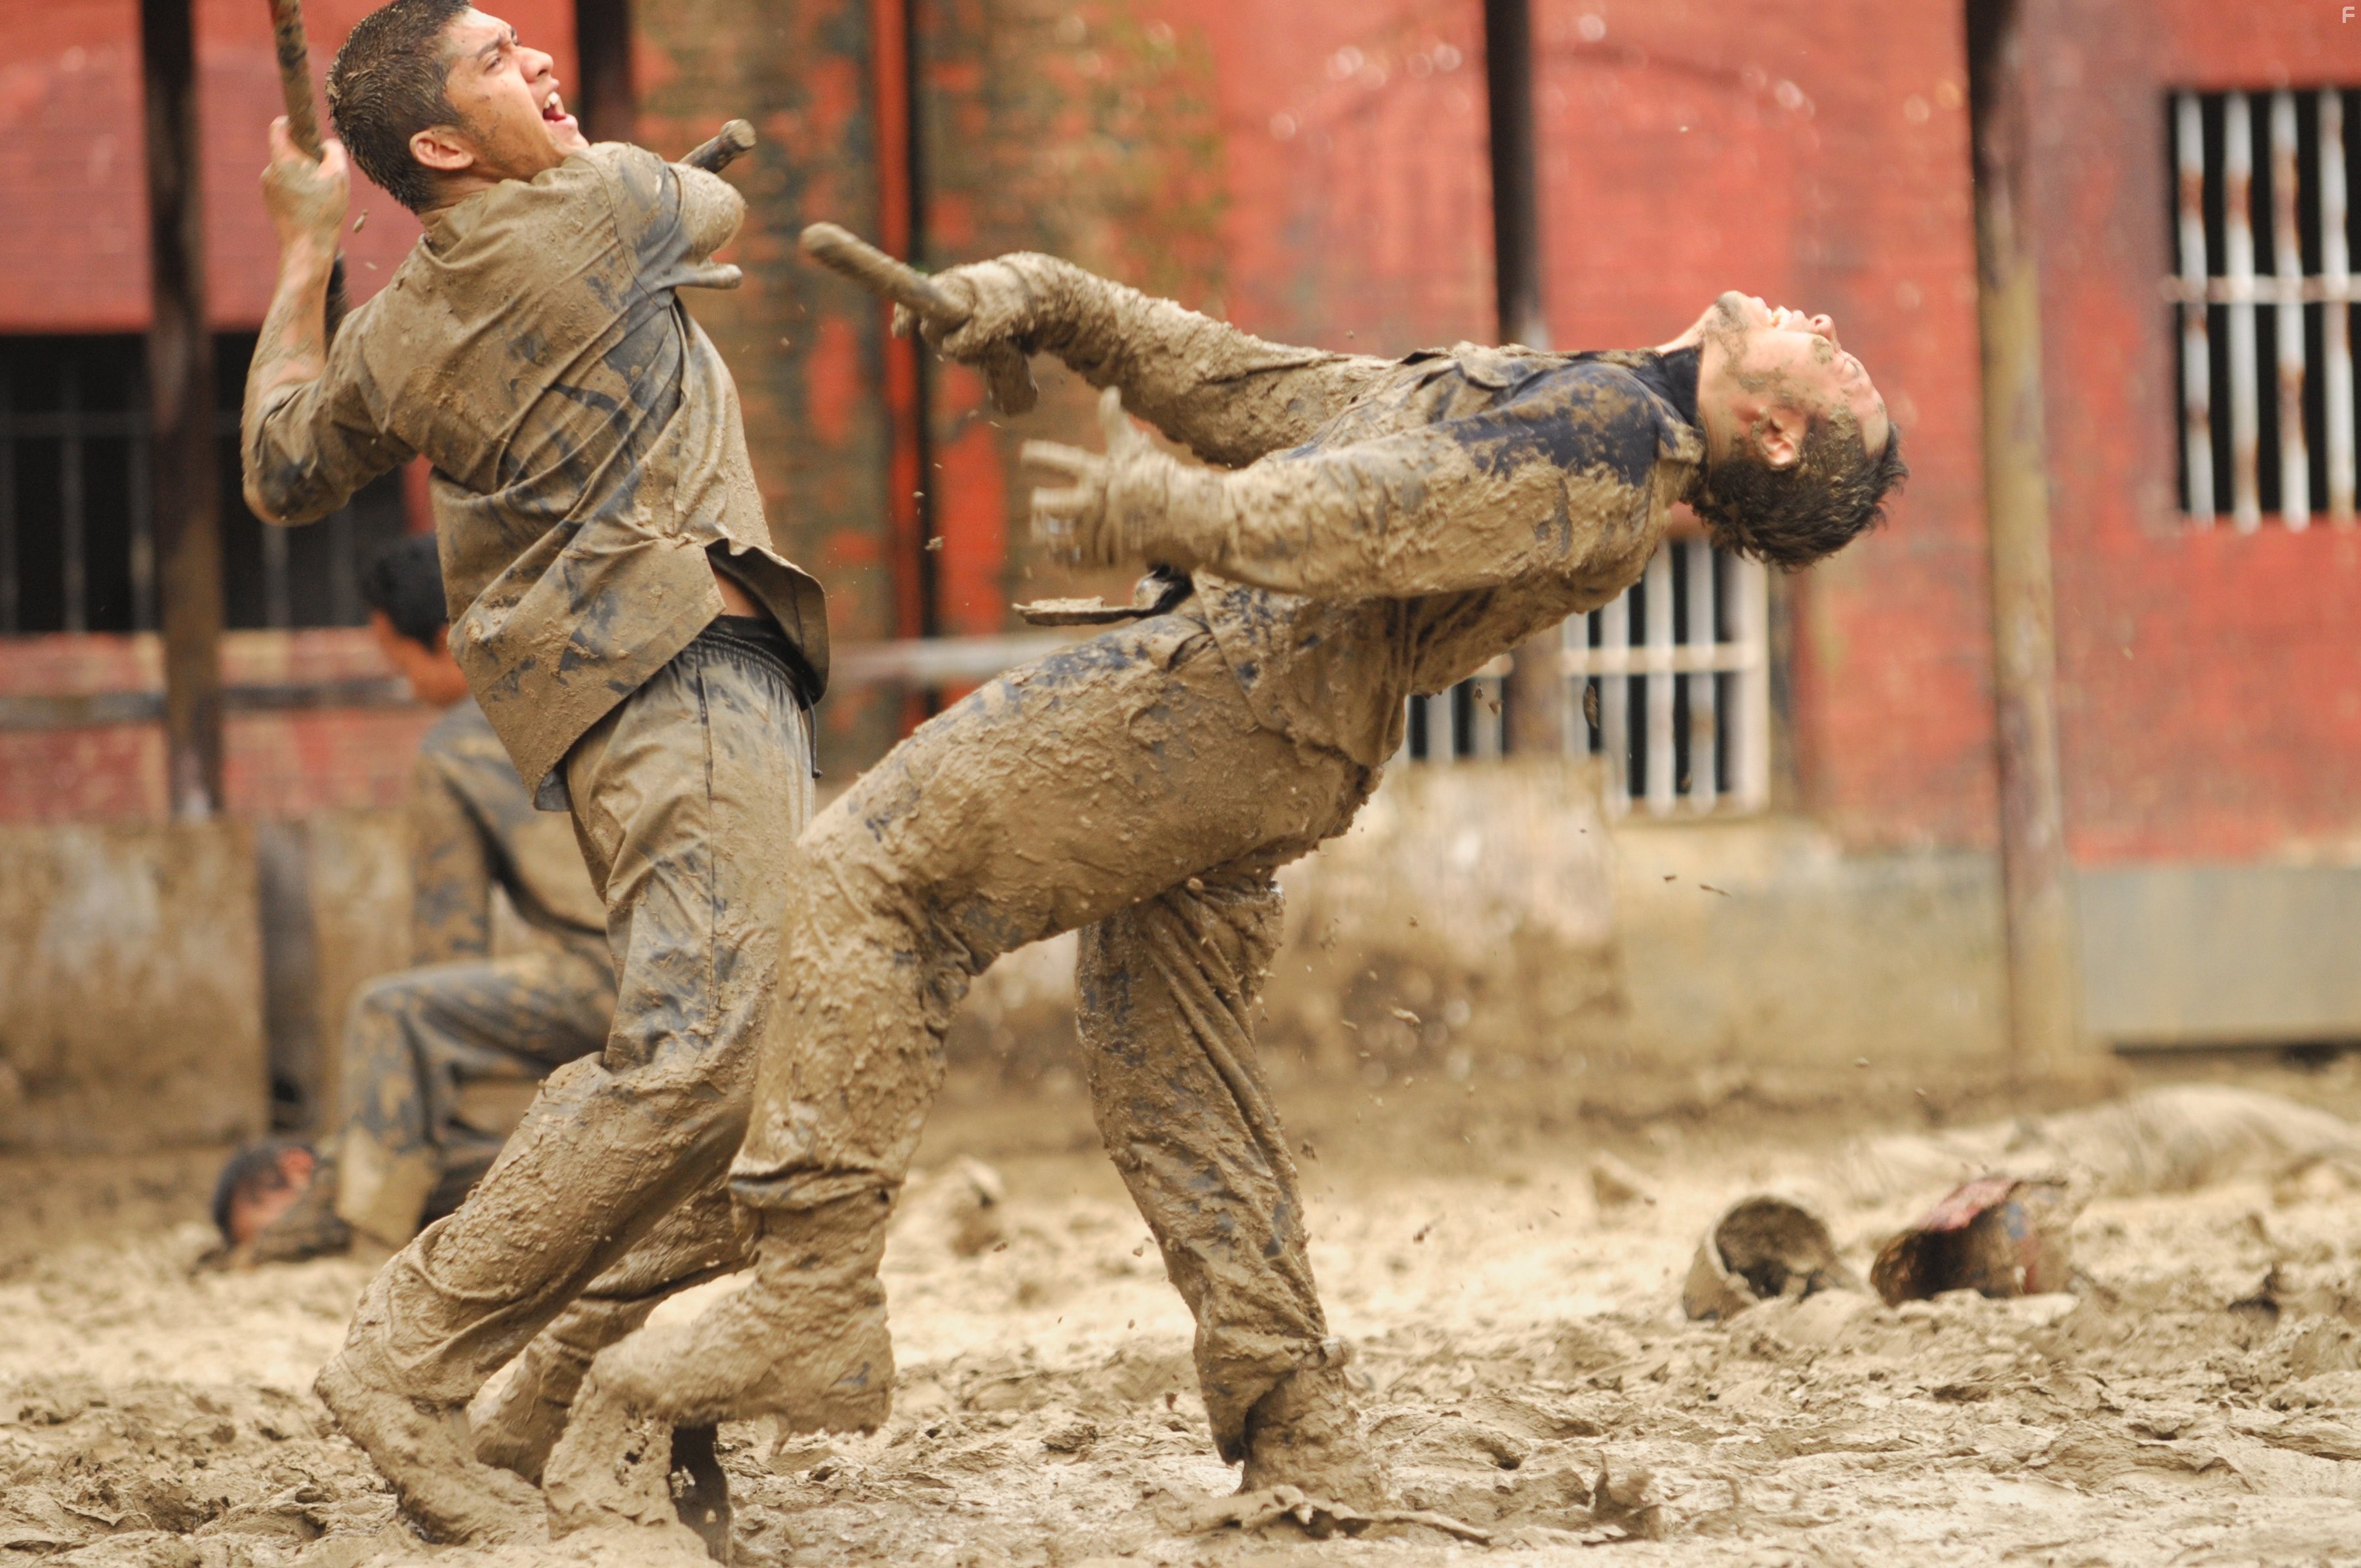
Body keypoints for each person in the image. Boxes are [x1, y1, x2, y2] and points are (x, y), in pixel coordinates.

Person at [538, 257, 1905, 1536]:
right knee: (1171, 1072)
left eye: (1840, 368)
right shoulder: (1583, 403)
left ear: (1775, 436)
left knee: (869, 879)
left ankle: (804, 1304)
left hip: (1211, 711)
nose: (1830, 329)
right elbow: (1263, 395)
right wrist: (1054, 303)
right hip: (1275, 748)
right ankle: (1296, 1422)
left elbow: (1378, 521)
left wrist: (1171, 509)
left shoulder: (1608, 439)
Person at [239, 0, 823, 1542]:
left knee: (748, 1087)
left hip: (622, 698)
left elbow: (284, 461)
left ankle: (582, 1388)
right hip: (685, 668)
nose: (540, 63)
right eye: (499, 61)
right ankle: (408, 1353)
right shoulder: (609, 201)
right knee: (701, 1062)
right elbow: (720, 201)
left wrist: (307, 247)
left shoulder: (404, 328)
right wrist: (624, 199)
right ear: (438, 144)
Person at [211, 534, 616, 1266]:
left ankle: (361, 1235)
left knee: (390, 1012)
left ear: (441, 641)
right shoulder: (598, 682)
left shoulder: (454, 749)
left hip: (619, 977)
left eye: (398, 662)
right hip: (720, 950)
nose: (401, 683)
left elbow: (447, 952)